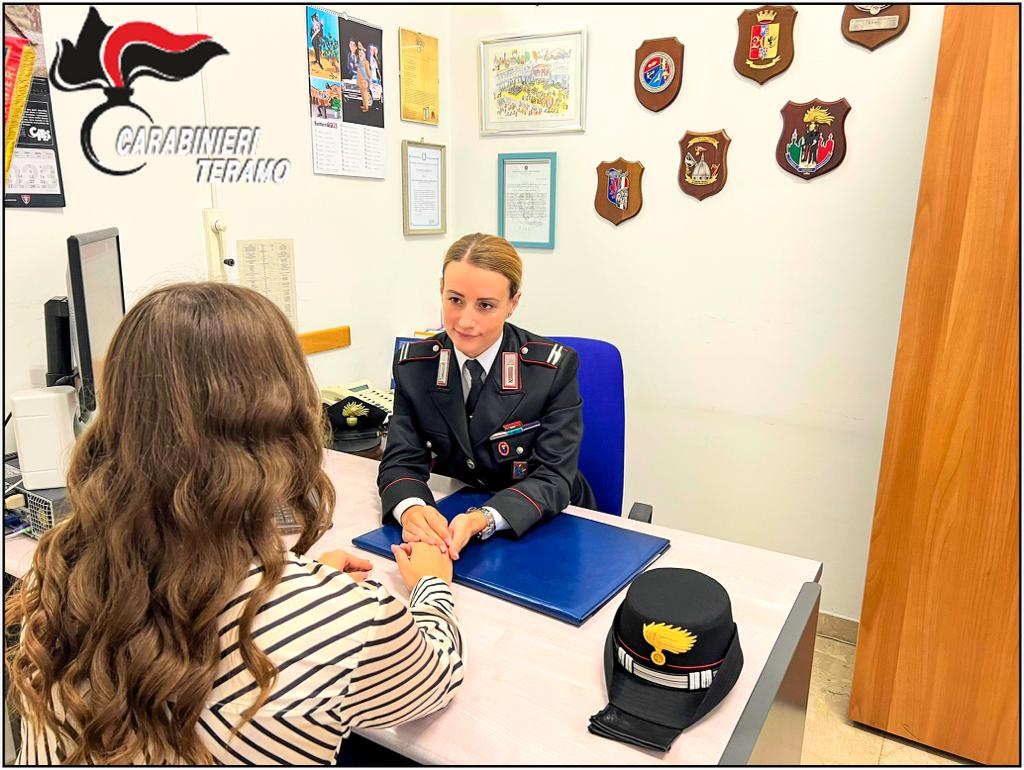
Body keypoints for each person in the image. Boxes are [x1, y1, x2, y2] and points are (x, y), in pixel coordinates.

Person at [5, 282, 463, 764]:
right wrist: (430, 584)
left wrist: (297, 585)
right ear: (286, 419)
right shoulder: (348, 622)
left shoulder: (57, 581)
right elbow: (437, 675)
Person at [378, 233, 596, 560]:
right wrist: (411, 509)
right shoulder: (416, 366)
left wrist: (485, 518)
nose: (466, 321)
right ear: (441, 290)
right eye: (455, 300)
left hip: (540, 521)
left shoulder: (551, 369)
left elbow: (553, 476)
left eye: (485, 305)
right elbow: (401, 460)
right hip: (455, 516)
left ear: (512, 303)